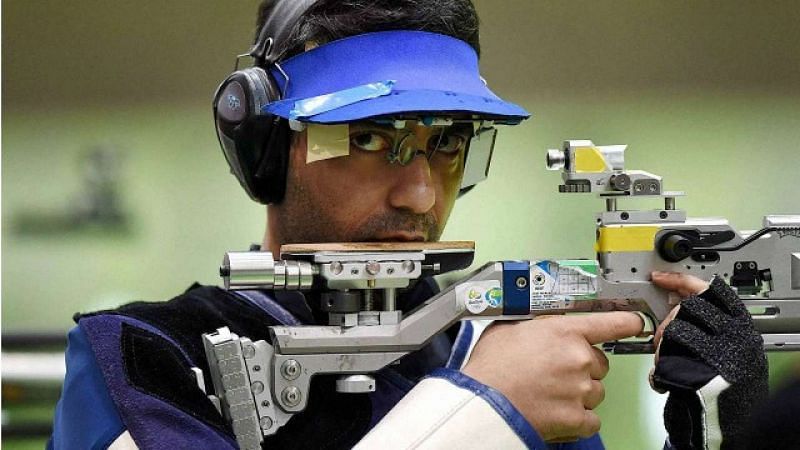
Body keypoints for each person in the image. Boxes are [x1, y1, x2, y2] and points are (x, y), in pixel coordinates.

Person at [48, 1, 767, 449]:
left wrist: (712, 438)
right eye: (370, 140)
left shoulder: (487, 350)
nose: (422, 192)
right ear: (267, 147)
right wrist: (484, 411)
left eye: (448, 144)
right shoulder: (146, 356)